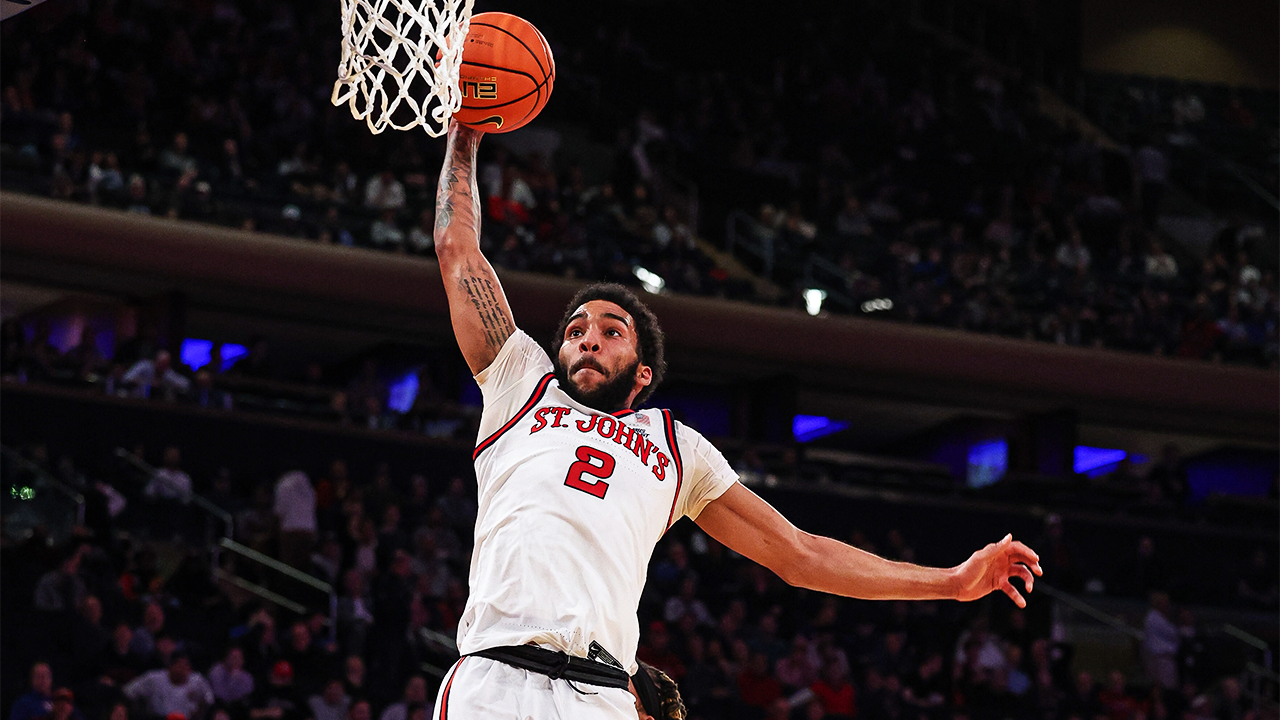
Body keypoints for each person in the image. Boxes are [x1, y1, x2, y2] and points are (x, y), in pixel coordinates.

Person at [427, 123, 1041, 719]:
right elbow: (459, 249)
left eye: (612, 332)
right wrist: (467, 133)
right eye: (575, 330)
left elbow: (800, 554)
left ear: (643, 373)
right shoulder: (520, 386)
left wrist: (952, 582)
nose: (588, 339)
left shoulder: (677, 450)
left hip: (604, 695)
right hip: (494, 680)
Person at [122, 653, 213, 720]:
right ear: (170, 667)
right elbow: (128, 691)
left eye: (186, 667)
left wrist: (199, 708)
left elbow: (209, 701)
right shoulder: (154, 678)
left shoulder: (197, 680)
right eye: (179, 666)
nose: (183, 670)